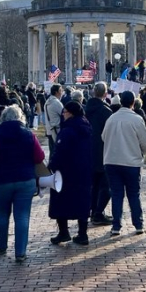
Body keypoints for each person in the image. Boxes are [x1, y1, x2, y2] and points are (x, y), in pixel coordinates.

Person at [0, 105, 43, 262]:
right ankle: (20, 251)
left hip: (1, 181)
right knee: (22, 216)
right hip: (25, 180)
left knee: (1, 215)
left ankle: (1, 245)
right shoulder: (29, 135)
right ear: (21, 117)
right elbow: (39, 157)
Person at [101, 91, 146, 235]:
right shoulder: (136, 119)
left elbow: (103, 137)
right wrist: (140, 153)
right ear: (133, 103)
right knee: (134, 194)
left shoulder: (111, 119)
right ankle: (138, 224)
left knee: (116, 194)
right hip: (131, 162)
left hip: (112, 161)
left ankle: (116, 225)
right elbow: (145, 142)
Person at [48, 101, 93, 245]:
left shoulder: (67, 130)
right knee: (82, 201)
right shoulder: (87, 127)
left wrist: (51, 166)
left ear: (71, 113)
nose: (63, 114)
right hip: (83, 170)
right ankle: (82, 233)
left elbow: (60, 151)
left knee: (60, 200)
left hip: (65, 172)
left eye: (65, 111)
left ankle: (63, 232)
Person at [84, 82, 113, 226]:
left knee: (94, 185)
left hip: (88, 151)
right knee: (107, 186)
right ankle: (98, 212)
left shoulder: (85, 109)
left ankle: (94, 210)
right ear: (105, 93)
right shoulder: (105, 111)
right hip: (103, 151)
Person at [44, 84, 64, 157]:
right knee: (57, 152)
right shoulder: (56, 103)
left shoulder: (48, 101)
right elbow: (63, 114)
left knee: (52, 151)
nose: (62, 92)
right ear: (56, 92)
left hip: (50, 129)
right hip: (56, 130)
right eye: (60, 91)